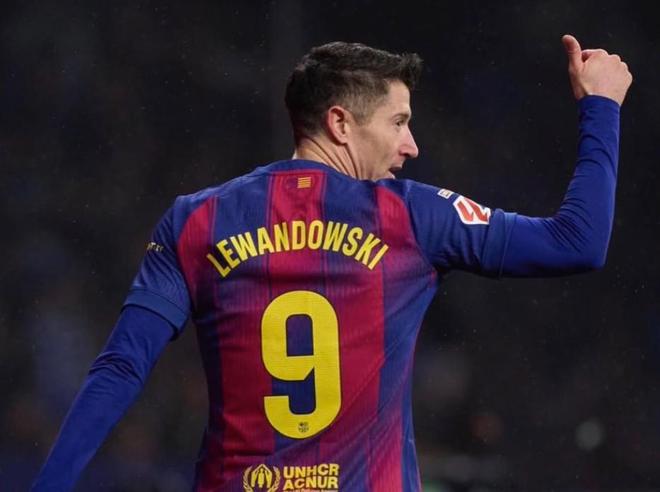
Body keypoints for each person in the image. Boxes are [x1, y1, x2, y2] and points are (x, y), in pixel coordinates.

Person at [33, 34, 632, 491]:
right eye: (399, 122)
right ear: (340, 123)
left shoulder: (196, 220)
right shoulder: (413, 217)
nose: (412, 145)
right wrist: (601, 107)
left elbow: (121, 368)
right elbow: (578, 243)